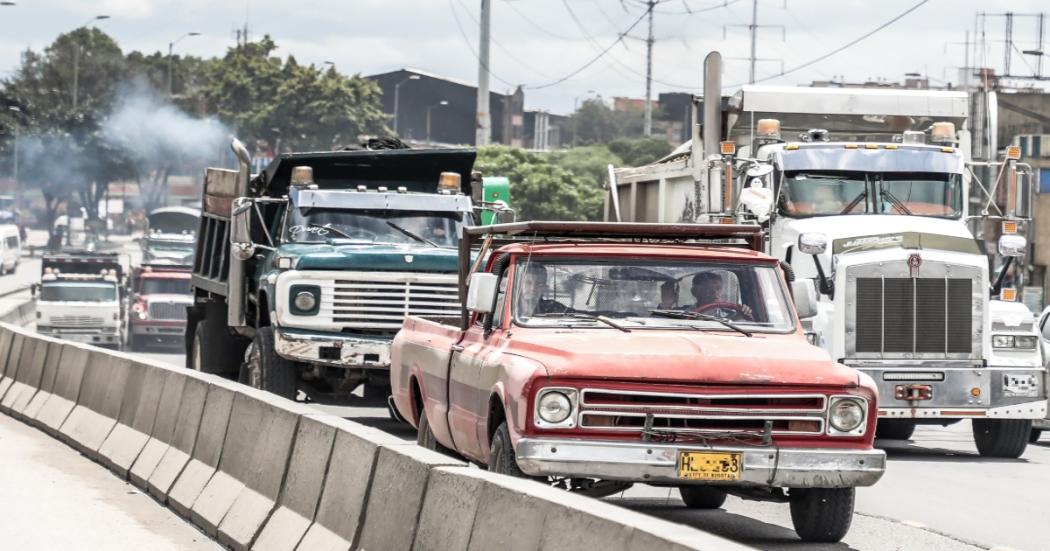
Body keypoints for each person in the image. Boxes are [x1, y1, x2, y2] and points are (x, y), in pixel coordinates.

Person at [679, 272, 752, 318]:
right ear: (694, 292)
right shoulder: (682, 313)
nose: (714, 292)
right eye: (708, 288)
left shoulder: (730, 314)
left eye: (718, 288)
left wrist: (744, 313)